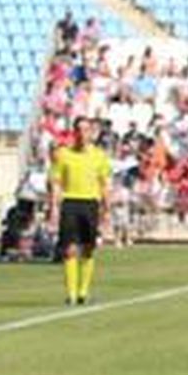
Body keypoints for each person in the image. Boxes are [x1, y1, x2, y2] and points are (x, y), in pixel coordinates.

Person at [47, 118, 113, 305]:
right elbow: (56, 183)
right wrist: (54, 208)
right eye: (79, 130)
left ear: (91, 133)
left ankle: (83, 291)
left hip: (91, 204)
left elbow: (105, 184)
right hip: (70, 203)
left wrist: (107, 210)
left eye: (86, 130)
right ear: (74, 132)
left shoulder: (99, 156)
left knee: (88, 248)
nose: (83, 134)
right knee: (69, 249)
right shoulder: (63, 154)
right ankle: (71, 294)